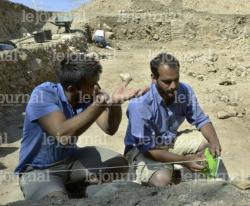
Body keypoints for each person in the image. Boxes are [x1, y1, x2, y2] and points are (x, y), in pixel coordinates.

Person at [15, 54, 145, 200]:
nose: (97, 88)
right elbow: (63, 135)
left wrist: (114, 103)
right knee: (55, 202)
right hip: (40, 170)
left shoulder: (86, 96)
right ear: (72, 89)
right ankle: (60, 189)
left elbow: (110, 128)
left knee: (118, 164)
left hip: (70, 159)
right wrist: (99, 104)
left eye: (97, 82)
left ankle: (77, 188)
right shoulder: (44, 94)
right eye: (92, 84)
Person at [124, 52, 223, 186]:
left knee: (207, 142)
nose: (173, 86)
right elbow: (148, 149)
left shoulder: (184, 91)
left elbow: (201, 120)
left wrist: (214, 142)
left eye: (176, 79)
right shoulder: (140, 105)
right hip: (142, 151)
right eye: (167, 81)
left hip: (168, 141)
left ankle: (199, 183)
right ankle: (160, 173)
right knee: (161, 180)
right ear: (153, 78)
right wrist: (184, 160)